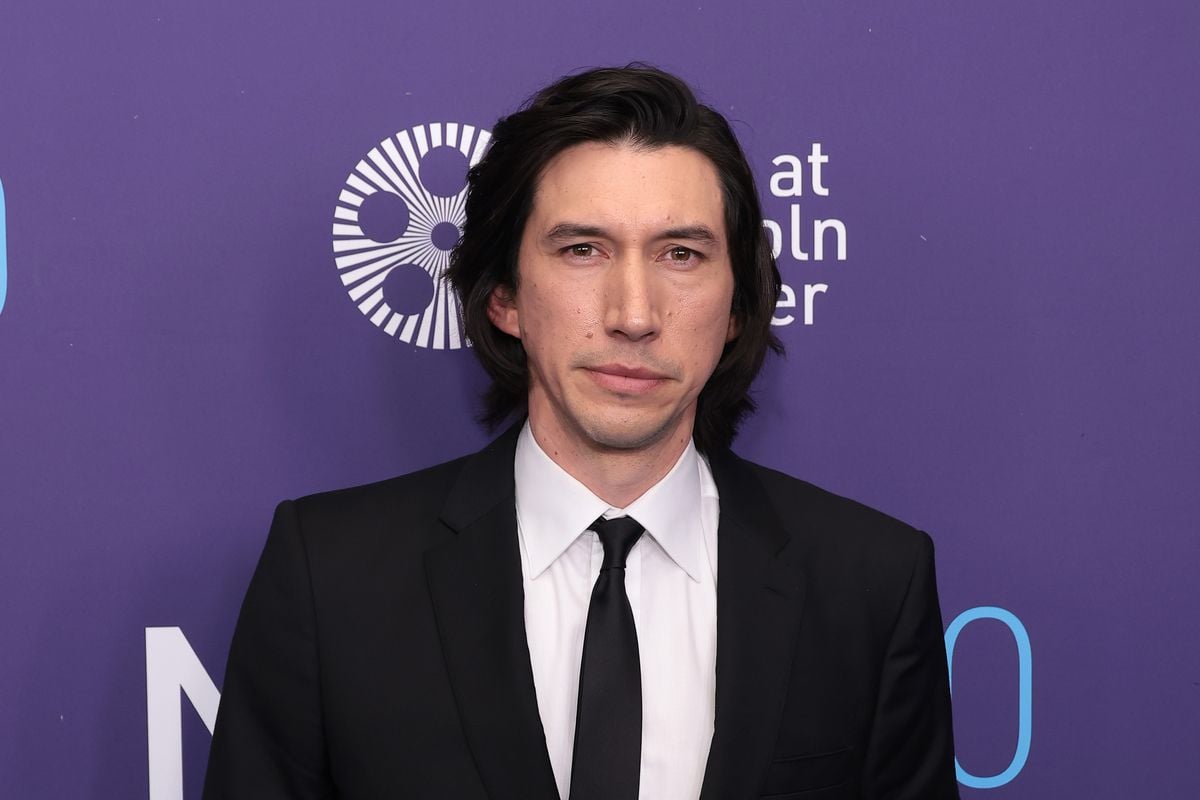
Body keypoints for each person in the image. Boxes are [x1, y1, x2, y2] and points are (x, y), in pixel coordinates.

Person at [203, 65, 959, 800]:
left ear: (736, 305)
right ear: (504, 295)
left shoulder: (869, 584)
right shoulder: (329, 578)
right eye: (582, 250)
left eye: (682, 255)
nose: (634, 313)